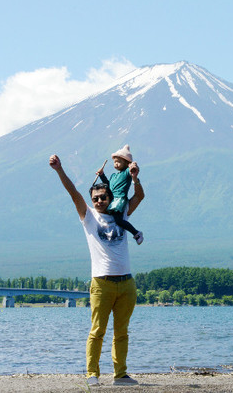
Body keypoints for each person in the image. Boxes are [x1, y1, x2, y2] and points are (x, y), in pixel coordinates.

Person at [49, 153, 144, 387]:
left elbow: (140, 196)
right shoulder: (88, 217)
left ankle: (120, 375)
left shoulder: (121, 213)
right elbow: (74, 193)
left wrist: (135, 178)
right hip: (101, 284)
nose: (99, 201)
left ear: (110, 197)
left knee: (121, 332)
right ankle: (92, 374)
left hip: (127, 283)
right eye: (96, 198)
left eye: (103, 197)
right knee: (97, 331)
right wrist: (59, 170)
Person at [95, 144, 144, 245]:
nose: (116, 164)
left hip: (119, 199)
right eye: (115, 162)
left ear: (126, 163)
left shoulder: (126, 172)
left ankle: (136, 233)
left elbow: (133, 168)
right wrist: (102, 175)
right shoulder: (113, 176)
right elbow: (108, 186)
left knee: (118, 220)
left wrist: (133, 166)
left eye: (119, 162)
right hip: (112, 200)